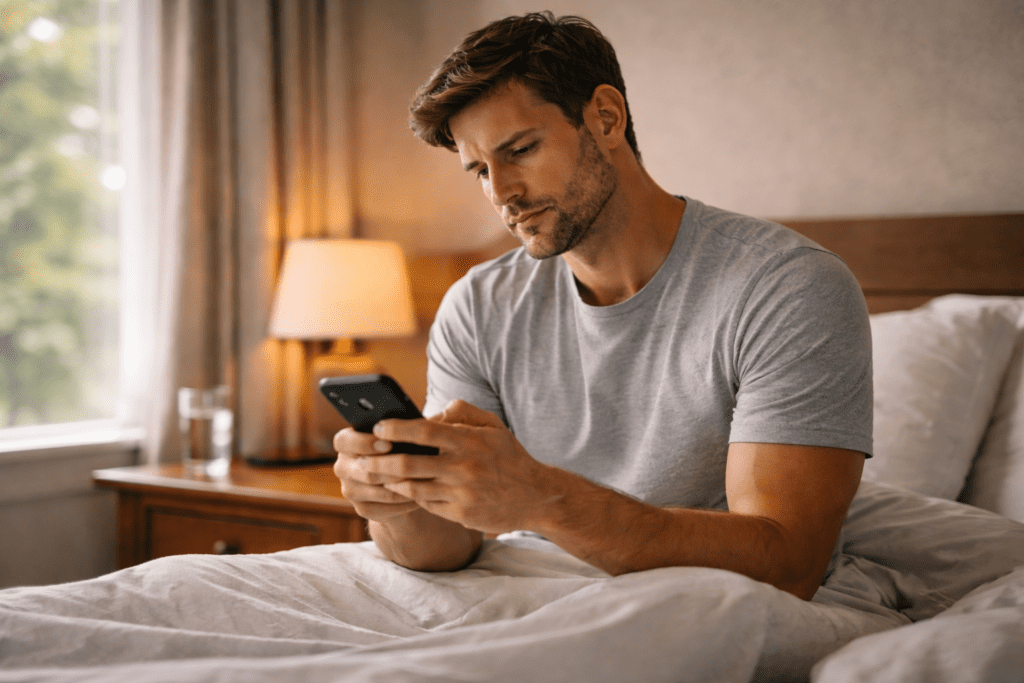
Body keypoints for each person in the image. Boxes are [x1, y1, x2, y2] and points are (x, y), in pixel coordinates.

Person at [333, 11, 872, 601]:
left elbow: (789, 563)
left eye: (521, 149)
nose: (500, 192)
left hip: (700, 605)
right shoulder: (478, 305)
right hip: (530, 596)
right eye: (480, 169)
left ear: (606, 118)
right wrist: (396, 505)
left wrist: (543, 497)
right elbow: (447, 548)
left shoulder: (785, 287)